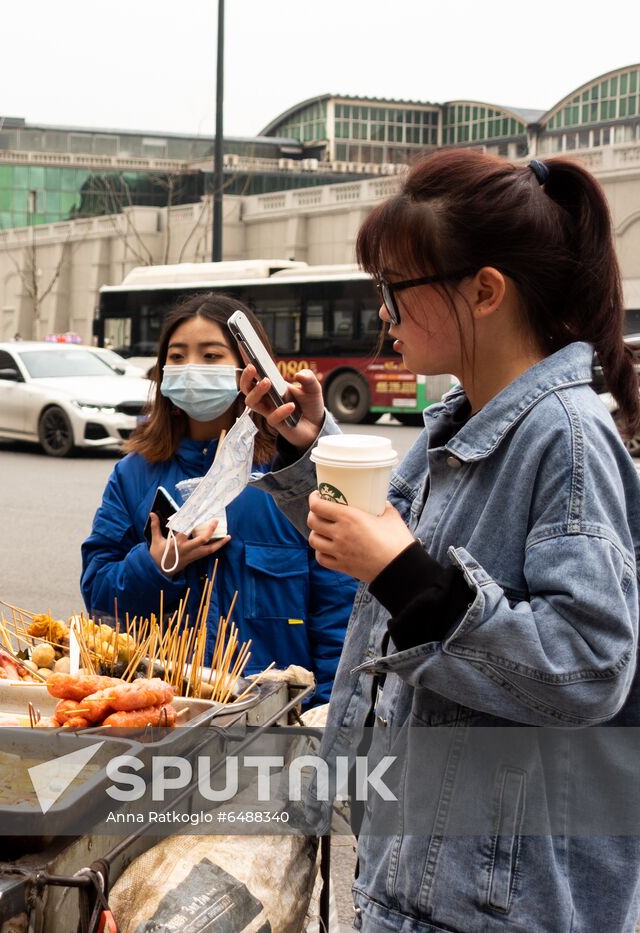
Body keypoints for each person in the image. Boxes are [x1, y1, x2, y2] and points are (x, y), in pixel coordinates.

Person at [242, 149, 640, 931]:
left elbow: (593, 665)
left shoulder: (566, 436)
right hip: (421, 873)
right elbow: (379, 552)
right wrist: (305, 450)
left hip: (497, 904)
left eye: (395, 287)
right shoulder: (459, 425)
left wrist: (410, 578)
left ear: (485, 290)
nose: (383, 311)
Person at [80, 295, 356, 705]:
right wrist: (155, 565)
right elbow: (99, 594)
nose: (192, 369)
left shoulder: (291, 476)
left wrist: (328, 709)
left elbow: (339, 603)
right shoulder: (133, 473)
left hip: (269, 715)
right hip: (162, 709)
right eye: (177, 356)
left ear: (251, 367)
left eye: (211, 355)